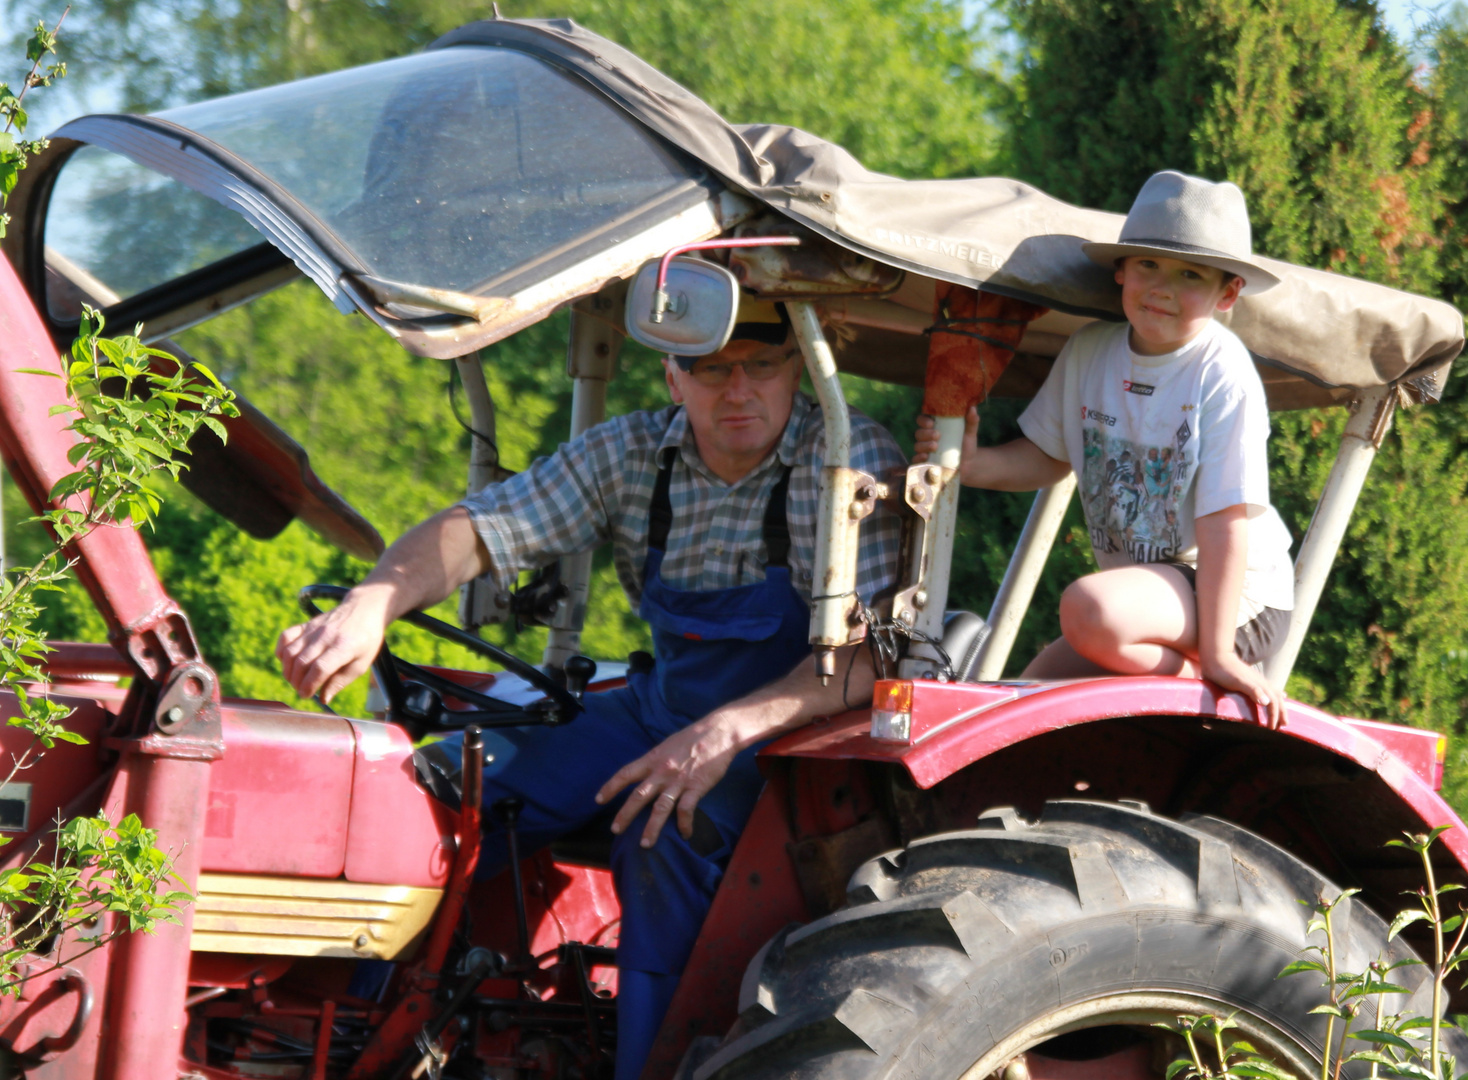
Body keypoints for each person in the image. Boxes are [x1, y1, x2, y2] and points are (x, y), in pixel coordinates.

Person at [275, 302, 904, 1080]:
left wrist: (721, 733)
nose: (739, 388)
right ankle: (344, 1036)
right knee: (443, 786)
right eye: (713, 367)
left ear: (798, 371)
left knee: (661, 828)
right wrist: (373, 602)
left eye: (762, 365)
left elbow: (872, 657)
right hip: (660, 712)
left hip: (793, 734)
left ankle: (651, 1066)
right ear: (675, 376)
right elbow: (482, 527)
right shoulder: (636, 453)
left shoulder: (845, 460)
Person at [915, 170, 1295, 726]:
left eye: (1189, 273)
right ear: (1121, 269)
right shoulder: (1090, 352)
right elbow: (1051, 455)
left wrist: (1217, 653)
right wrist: (974, 464)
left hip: (1234, 595)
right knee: (1021, 702)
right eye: (1148, 265)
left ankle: (1200, 685)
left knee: (1088, 609)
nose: (1161, 287)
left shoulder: (1221, 370)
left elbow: (1225, 521)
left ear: (1228, 292)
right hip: (1148, 597)